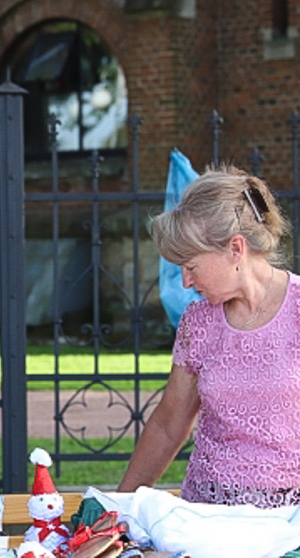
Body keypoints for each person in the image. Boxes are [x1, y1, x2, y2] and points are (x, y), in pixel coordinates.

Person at [117, 165, 300, 509]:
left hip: (291, 523)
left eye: (191, 266)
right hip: (207, 515)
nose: (185, 282)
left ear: (235, 248)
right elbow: (169, 424)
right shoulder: (198, 321)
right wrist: (120, 506)